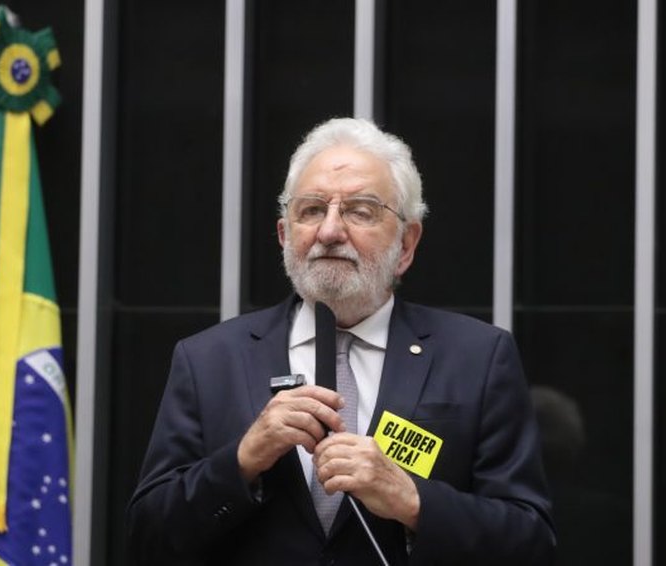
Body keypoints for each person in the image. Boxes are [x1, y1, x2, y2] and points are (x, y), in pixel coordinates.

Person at [127, 117, 555, 565]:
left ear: (406, 244)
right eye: (312, 210)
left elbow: (531, 543)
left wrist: (411, 501)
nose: (329, 231)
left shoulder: (478, 358)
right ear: (284, 235)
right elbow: (147, 539)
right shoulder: (208, 360)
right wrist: (244, 459)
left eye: (360, 211)